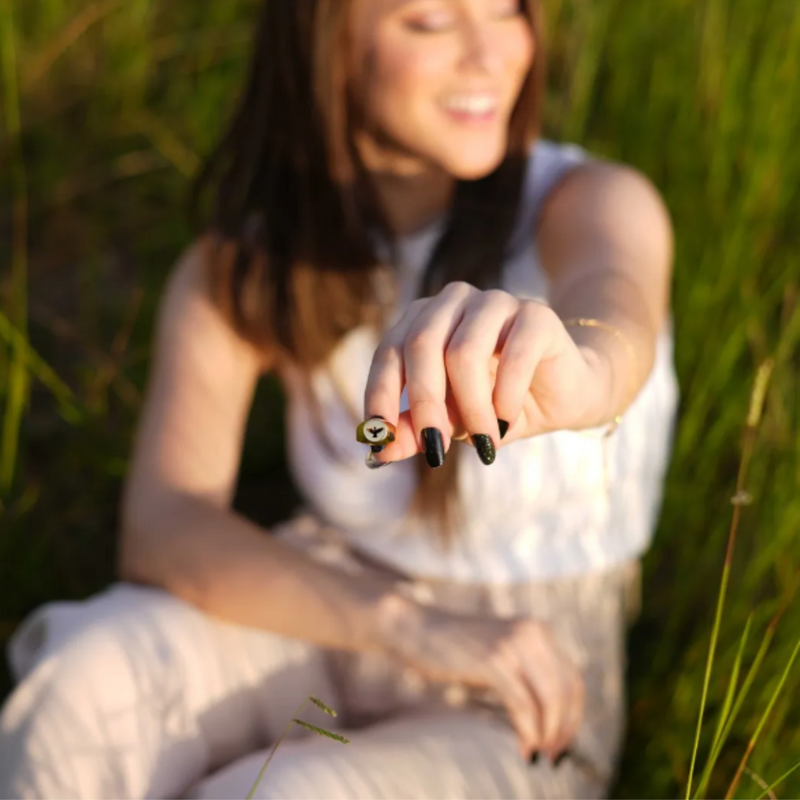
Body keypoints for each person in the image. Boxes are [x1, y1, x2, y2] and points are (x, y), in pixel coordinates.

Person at [0, 0, 680, 797]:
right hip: (330, 605)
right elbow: (165, 525)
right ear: (327, 42)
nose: (490, 54)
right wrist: (408, 624)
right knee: (81, 683)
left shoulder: (589, 201)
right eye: (430, 21)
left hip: (526, 676)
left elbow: (615, 310)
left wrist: (583, 377)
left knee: (284, 793)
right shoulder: (253, 262)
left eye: (506, 10)